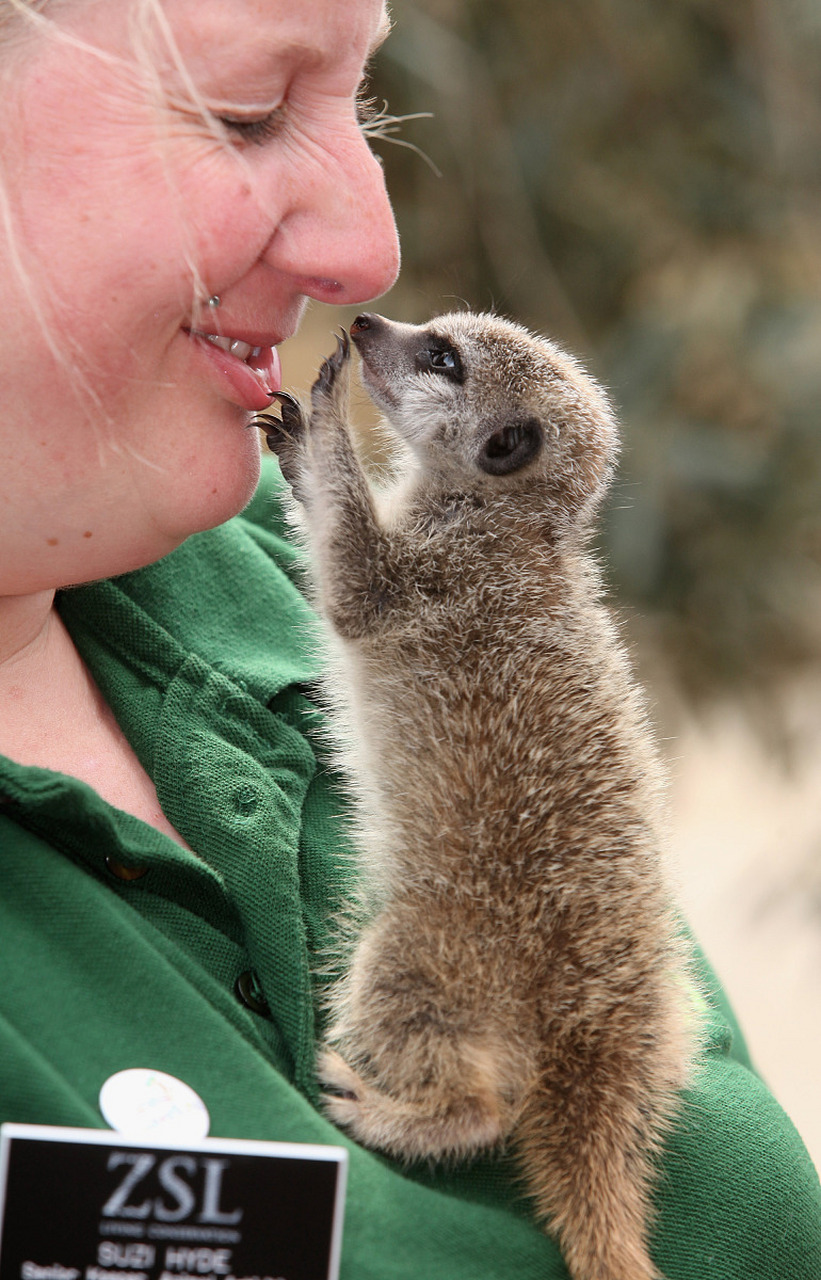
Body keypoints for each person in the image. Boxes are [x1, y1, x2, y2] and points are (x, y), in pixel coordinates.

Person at [0, 1, 818, 1277]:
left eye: (368, 104)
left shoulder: (278, 569)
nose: (373, 252)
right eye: (248, 110)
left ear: (495, 451)